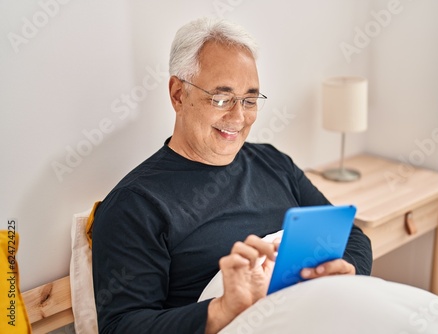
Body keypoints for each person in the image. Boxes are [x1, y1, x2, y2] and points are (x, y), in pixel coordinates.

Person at [92, 17, 372, 334]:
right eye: (222, 98)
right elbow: (122, 326)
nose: (238, 117)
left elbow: (352, 235)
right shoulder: (136, 205)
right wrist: (222, 310)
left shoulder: (273, 162)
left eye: (250, 100)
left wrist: (349, 269)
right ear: (178, 95)